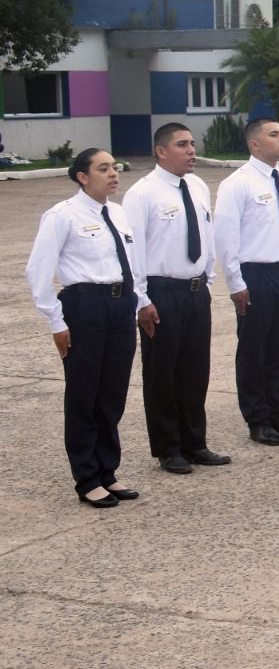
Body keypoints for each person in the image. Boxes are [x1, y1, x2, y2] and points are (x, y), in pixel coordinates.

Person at [27, 148, 147, 506]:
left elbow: (132, 264)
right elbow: (38, 271)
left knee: (112, 393)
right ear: (82, 176)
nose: (113, 174)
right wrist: (55, 320)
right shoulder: (62, 216)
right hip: (85, 308)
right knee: (84, 394)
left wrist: (138, 302)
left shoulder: (119, 213)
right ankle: (87, 478)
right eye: (103, 168)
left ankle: (108, 472)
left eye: (114, 167)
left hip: (120, 306)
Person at [123, 123, 231, 475]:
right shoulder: (143, 194)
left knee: (195, 371)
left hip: (195, 292)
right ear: (161, 151)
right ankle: (168, 448)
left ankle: (194, 443)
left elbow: (207, 235)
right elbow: (133, 251)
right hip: (161, 293)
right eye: (182, 144)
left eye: (192, 143)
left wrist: (208, 278)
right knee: (162, 374)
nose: (191, 150)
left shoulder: (197, 186)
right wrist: (141, 299)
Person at [215, 118, 279, 446]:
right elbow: (226, 237)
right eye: (274, 134)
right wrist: (235, 283)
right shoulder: (237, 184)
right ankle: (257, 419)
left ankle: (277, 412)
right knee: (254, 350)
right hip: (256, 275)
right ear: (254, 144)